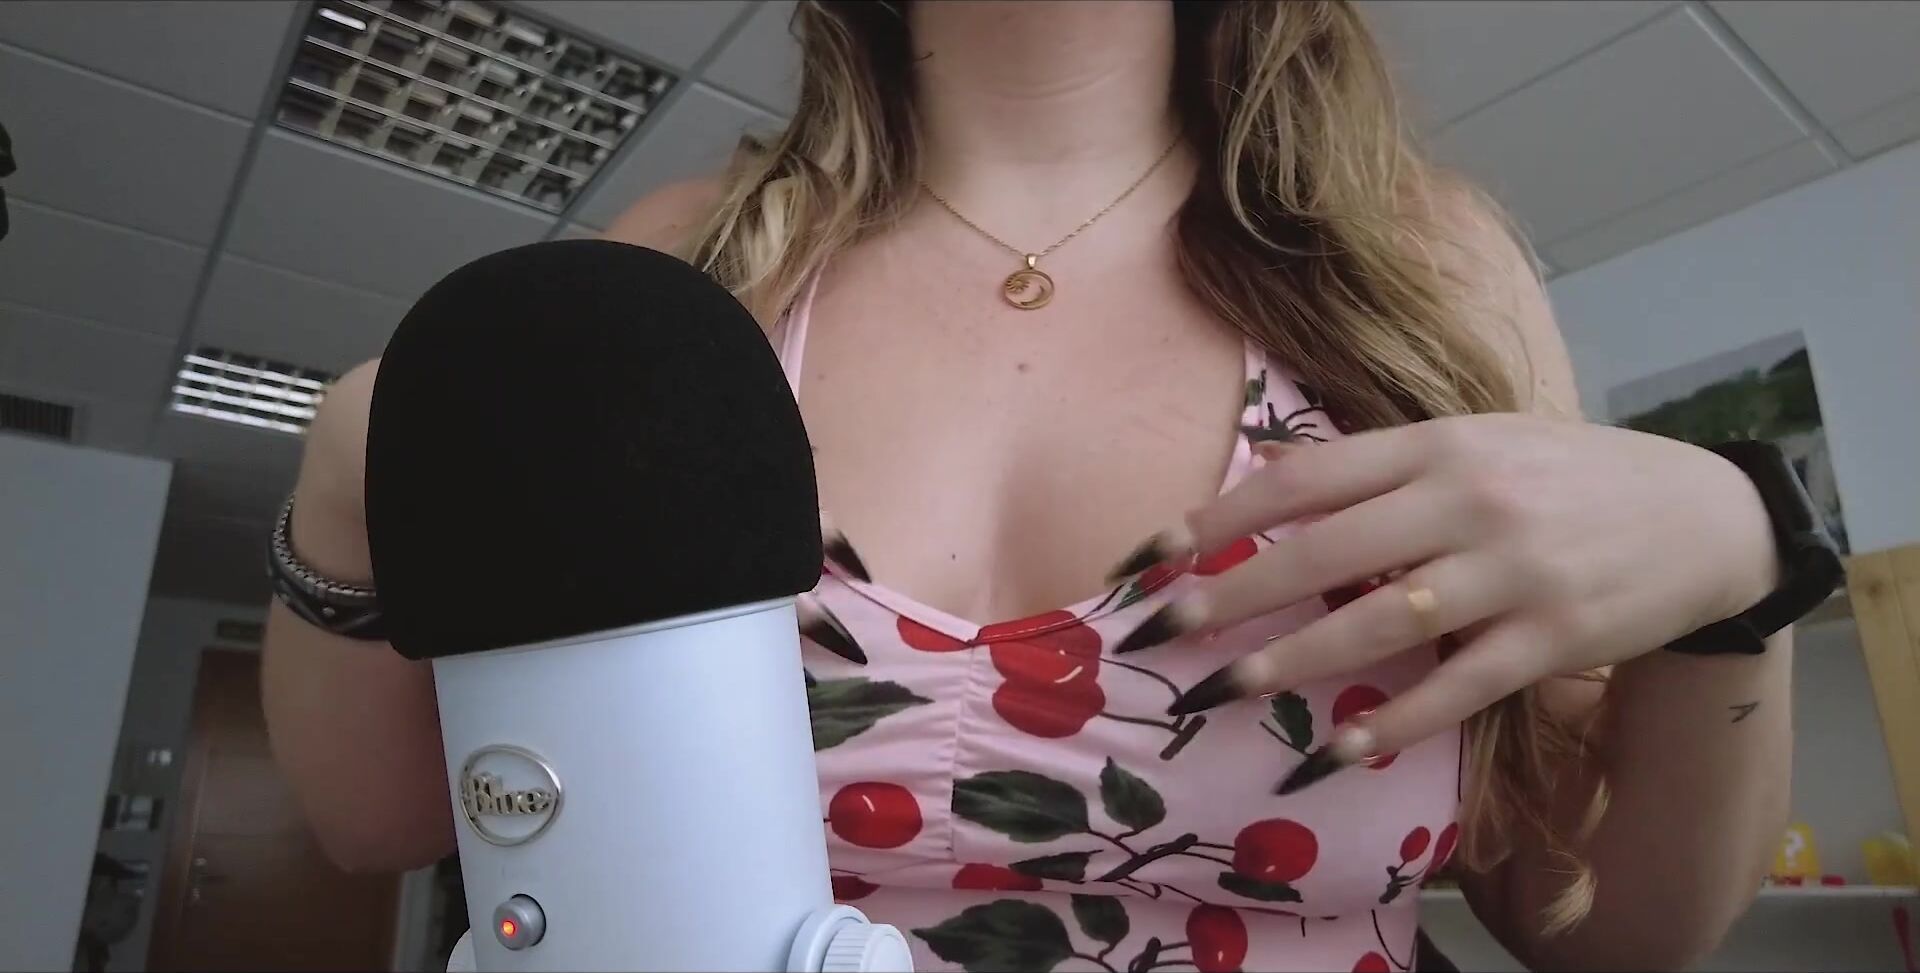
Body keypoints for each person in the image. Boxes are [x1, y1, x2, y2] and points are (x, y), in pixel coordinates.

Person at [264, 2, 1811, 969]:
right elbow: (381, 820)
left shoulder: (1421, 273)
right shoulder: (679, 269)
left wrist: (1744, 559)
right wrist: (347, 486)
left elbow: (1608, 925)